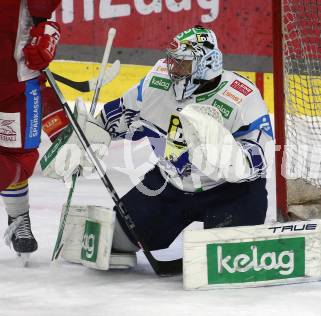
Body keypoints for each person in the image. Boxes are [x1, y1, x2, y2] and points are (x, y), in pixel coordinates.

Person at [44, 26, 273, 257]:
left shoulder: (241, 95)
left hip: (230, 193)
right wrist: (89, 135)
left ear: (207, 64)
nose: (173, 69)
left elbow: (260, 158)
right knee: (114, 242)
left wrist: (225, 158)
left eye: (182, 63)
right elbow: (121, 112)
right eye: (173, 61)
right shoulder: (158, 81)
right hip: (169, 185)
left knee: (228, 258)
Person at [1, 0, 67, 257]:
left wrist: (47, 31)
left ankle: (18, 218)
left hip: (16, 78)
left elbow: (43, 11)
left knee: (14, 154)